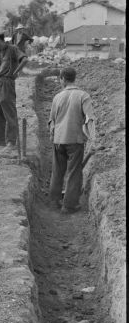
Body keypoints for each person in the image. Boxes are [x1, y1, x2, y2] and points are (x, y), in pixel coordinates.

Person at [48, 67, 96, 214]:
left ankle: (54, 201)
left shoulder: (57, 97)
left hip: (58, 140)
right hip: (75, 140)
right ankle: (69, 206)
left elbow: (52, 121)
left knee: (57, 170)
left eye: (60, 79)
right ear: (74, 78)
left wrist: (52, 136)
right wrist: (91, 138)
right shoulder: (83, 96)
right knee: (74, 172)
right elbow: (89, 119)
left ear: (62, 78)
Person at [0, 31, 28, 149]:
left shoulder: (13, 49)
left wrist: (15, 72)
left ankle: (11, 142)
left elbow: (25, 59)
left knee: (9, 113)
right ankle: (0, 140)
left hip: (7, 83)